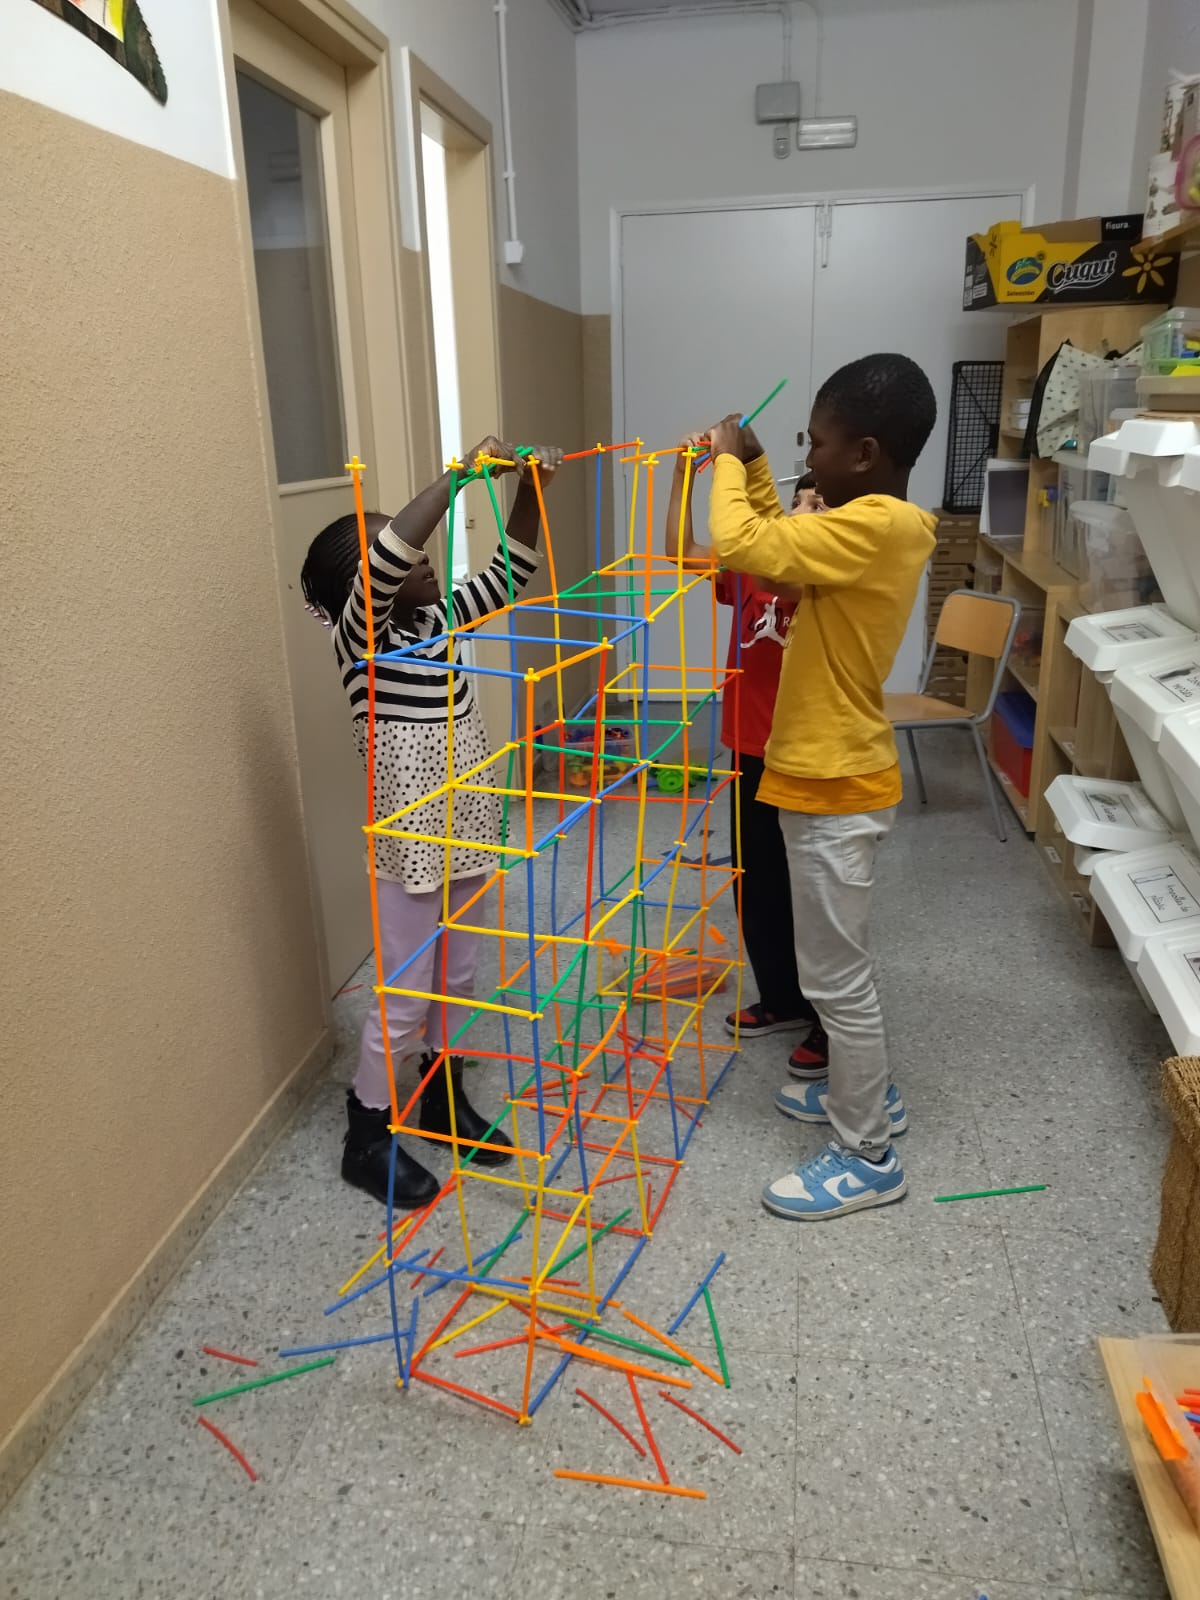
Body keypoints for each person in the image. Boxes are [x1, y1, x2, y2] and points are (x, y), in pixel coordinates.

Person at [704, 353, 937, 1221]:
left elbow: (741, 543)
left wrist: (725, 461)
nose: (811, 456)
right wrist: (759, 463)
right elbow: (774, 563)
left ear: (865, 454)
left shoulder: (875, 525)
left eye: (818, 443)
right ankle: (866, 1094)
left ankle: (868, 1152)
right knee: (832, 969)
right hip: (823, 777)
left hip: (836, 784)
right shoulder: (867, 526)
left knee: (838, 981)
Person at [301, 440, 564, 1207]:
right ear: (361, 590)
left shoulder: (439, 620)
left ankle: (442, 1096)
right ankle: (367, 1131)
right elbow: (387, 560)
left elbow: (511, 572)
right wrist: (455, 480)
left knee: (458, 977)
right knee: (405, 994)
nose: (423, 558)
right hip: (411, 849)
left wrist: (530, 488)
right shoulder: (361, 642)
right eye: (403, 553)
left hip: (469, 827)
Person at [664, 436, 825, 1059]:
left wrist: (735, 475)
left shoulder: (826, 578)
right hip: (749, 747)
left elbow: (781, 568)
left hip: (807, 753)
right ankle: (781, 997)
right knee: (755, 880)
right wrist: (684, 475)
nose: (805, 510)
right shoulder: (752, 568)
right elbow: (679, 549)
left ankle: (826, 1017)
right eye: (799, 500)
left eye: (820, 505)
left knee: (811, 889)